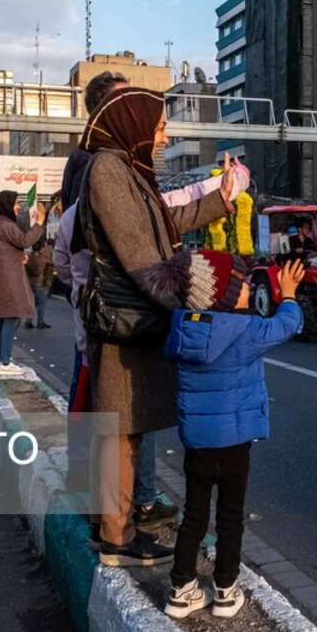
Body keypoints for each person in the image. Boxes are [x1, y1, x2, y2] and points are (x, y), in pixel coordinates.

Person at [76, 85, 242, 566]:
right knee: (120, 430)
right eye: (160, 127)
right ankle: (116, 538)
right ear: (134, 124)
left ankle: (117, 528)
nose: (165, 137)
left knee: (126, 429)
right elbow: (142, 256)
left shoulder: (126, 169)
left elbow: (163, 224)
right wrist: (200, 290)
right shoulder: (108, 170)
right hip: (123, 323)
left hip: (135, 320)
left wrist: (222, 199)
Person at [138, 251, 304, 620]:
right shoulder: (246, 331)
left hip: (196, 441)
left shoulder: (181, 328)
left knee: (194, 514)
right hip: (234, 443)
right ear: (225, 295)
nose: (248, 287)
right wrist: (288, 294)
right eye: (241, 283)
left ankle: (181, 588)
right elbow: (287, 325)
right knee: (230, 516)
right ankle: (226, 589)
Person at [0, 191, 46, 376]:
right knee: (10, 316)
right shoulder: (5, 224)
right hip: (7, 278)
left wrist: (17, 256)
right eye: (16, 203)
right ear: (6, 205)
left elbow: (6, 250)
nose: (18, 207)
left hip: (0, 275)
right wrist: (39, 222)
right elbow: (24, 240)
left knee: (1, 318)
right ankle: (5, 363)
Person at [60, 71, 130, 206]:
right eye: (123, 102)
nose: (132, 109)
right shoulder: (90, 157)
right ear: (101, 110)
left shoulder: (123, 152)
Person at [24, 235, 55, 329]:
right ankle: (40, 322)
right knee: (41, 305)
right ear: (41, 248)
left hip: (30, 284)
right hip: (41, 284)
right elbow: (53, 263)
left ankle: (28, 322)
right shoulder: (44, 259)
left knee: (31, 304)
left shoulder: (28, 258)